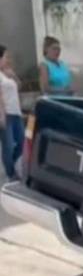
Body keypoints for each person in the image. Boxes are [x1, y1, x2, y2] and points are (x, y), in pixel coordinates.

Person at [0, 45, 25, 180]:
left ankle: (10, 164)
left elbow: (19, 86)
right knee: (8, 145)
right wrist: (2, 115)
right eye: (6, 57)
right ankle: (11, 173)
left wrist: (13, 75)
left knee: (22, 142)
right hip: (6, 114)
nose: (8, 59)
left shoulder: (7, 73)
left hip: (16, 112)